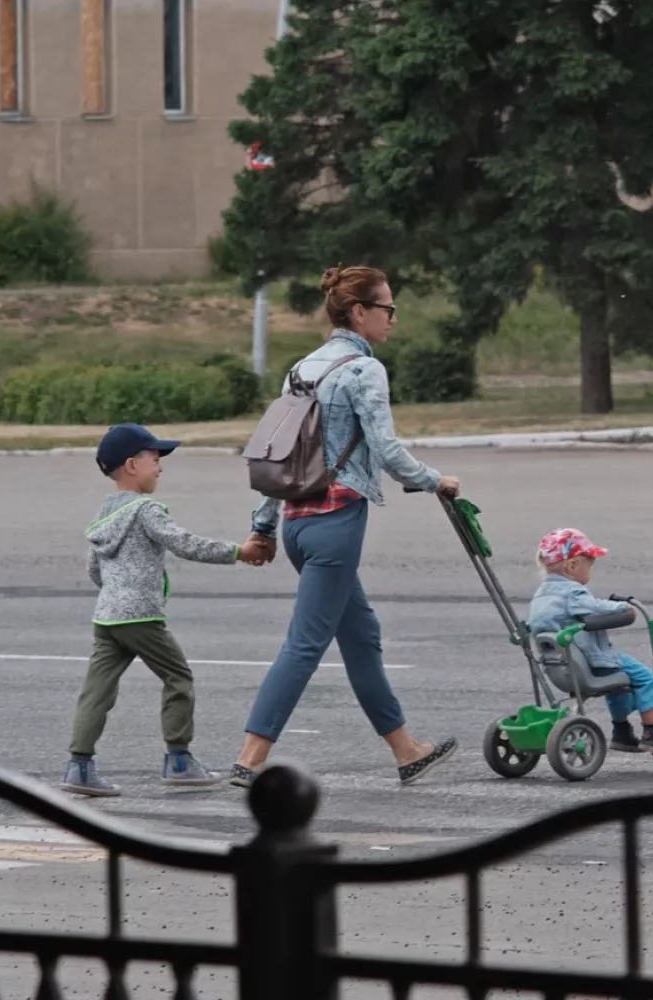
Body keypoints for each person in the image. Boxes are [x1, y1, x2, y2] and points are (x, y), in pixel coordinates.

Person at [231, 265, 461, 789]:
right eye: (388, 309)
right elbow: (386, 451)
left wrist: (264, 528)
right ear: (360, 312)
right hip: (336, 521)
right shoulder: (363, 370)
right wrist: (436, 481)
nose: (393, 320)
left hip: (296, 525)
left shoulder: (302, 368)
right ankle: (250, 758)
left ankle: (407, 751)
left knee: (361, 636)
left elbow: (280, 456)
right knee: (305, 645)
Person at [62, 423, 268, 797]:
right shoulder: (145, 510)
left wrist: (116, 593)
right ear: (131, 465)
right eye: (154, 459)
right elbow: (182, 542)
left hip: (107, 616)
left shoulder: (103, 515)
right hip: (141, 616)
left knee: (96, 692)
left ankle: (79, 766)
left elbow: (94, 568)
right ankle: (179, 760)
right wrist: (238, 552)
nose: (160, 467)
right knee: (179, 678)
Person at [527, 529, 653, 755]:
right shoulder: (572, 592)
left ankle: (622, 732)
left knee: (618, 687)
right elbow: (595, 607)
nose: (589, 572)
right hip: (592, 661)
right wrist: (623, 607)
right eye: (588, 566)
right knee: (645, 677)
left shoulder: (542, 594)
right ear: (572, 566)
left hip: (563, 666)